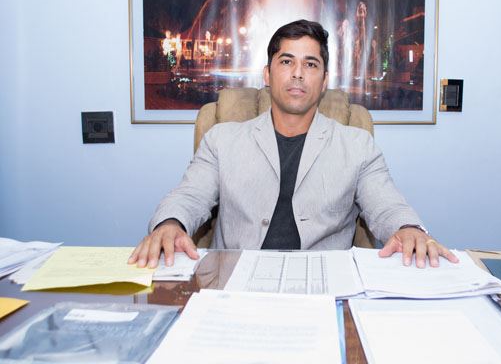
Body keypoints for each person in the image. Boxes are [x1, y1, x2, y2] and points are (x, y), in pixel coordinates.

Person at [129, 20, 458, 269]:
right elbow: (189, 195)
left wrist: (409, 228)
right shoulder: (221, 139)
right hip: (235, 281)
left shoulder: (358, 145)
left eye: (310, 64)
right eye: (286, 62)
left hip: (324, 284)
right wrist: (170, 224)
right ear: (267, 74)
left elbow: (386, 205)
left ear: (324, 80)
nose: (298, 73)